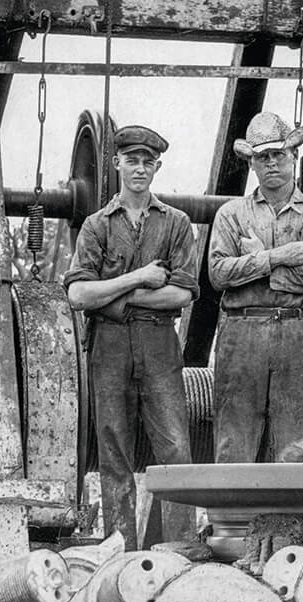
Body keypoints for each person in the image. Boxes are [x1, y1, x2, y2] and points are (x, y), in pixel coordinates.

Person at [63, 125, 197, 551]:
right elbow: (78, 294)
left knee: (175, 448)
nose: (139, 168)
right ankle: (120, 550)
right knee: (114, 449)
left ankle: (178, 548)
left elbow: (183, 292)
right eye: (131, 160)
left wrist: (116, 294)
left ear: (157, 167)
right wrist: (140, 279)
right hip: (110, 347)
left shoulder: (176, 223)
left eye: (148, 162)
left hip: (159, 345)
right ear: (116, 163)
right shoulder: (96, 225)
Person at [208, 111, 303, 463]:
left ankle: (294, 520)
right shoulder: (231, 215)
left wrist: (261, 269)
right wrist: (277, 257)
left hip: (299, 333)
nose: (272, 163)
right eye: (263, 157)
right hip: (241, 333)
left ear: (293, 156)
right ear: (251, 163)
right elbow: (218, 274)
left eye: (279, 155)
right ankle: (229, 520)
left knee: (299, 443)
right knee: (235, 440)